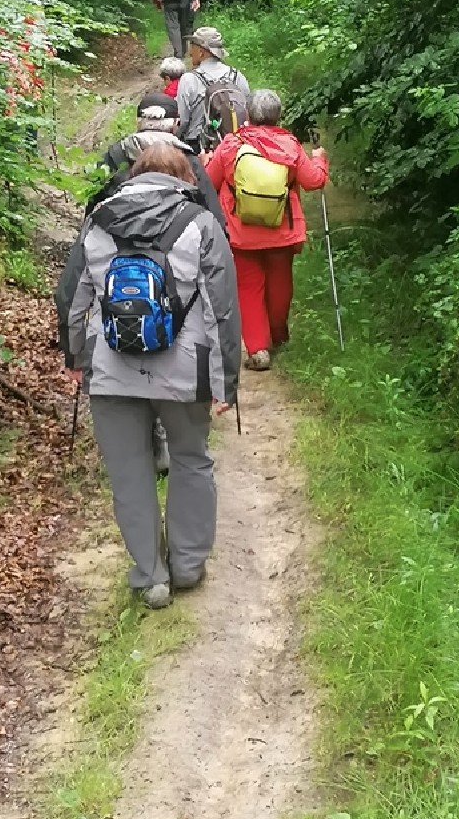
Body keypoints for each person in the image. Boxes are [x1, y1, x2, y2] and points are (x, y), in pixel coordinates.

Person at [56, 144, 241, 609]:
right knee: (191, 459)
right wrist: (225, 382)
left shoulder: (98, 221)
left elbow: (72, 300)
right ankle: (188, 564)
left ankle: (151, 576)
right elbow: (221, 309)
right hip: (184, 373)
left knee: (129, 473)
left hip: (111, 371)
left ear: (133, 175)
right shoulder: (200, 223)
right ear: (184, 178)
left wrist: (77, 358)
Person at [204, 88, 328, 371]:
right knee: (280, 283)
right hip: (281, 230)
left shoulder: (231, 144)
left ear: (247, 113)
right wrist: (320, 159)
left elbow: (209, 183)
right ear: (278, 116)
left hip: (242, 232)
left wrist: (207, 162)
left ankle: (258, 349)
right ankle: (279, 335)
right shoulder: (290, 145)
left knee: (249, 287)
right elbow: (313, 181)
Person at [90, 93, 227, 234]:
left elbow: (93, 205)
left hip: (118, 237)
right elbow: (212, 212)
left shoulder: (116, 154)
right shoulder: (187, 158)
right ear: (176, 124)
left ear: (138, 122)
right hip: (176, 239)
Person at [176, 26, 250, 154]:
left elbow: (184, 121)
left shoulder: (189, 79)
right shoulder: (237, 76)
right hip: (234, 147)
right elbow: (247, 111)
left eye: (192, 47)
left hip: (198, 148)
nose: (190, 53)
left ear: (201, 52)